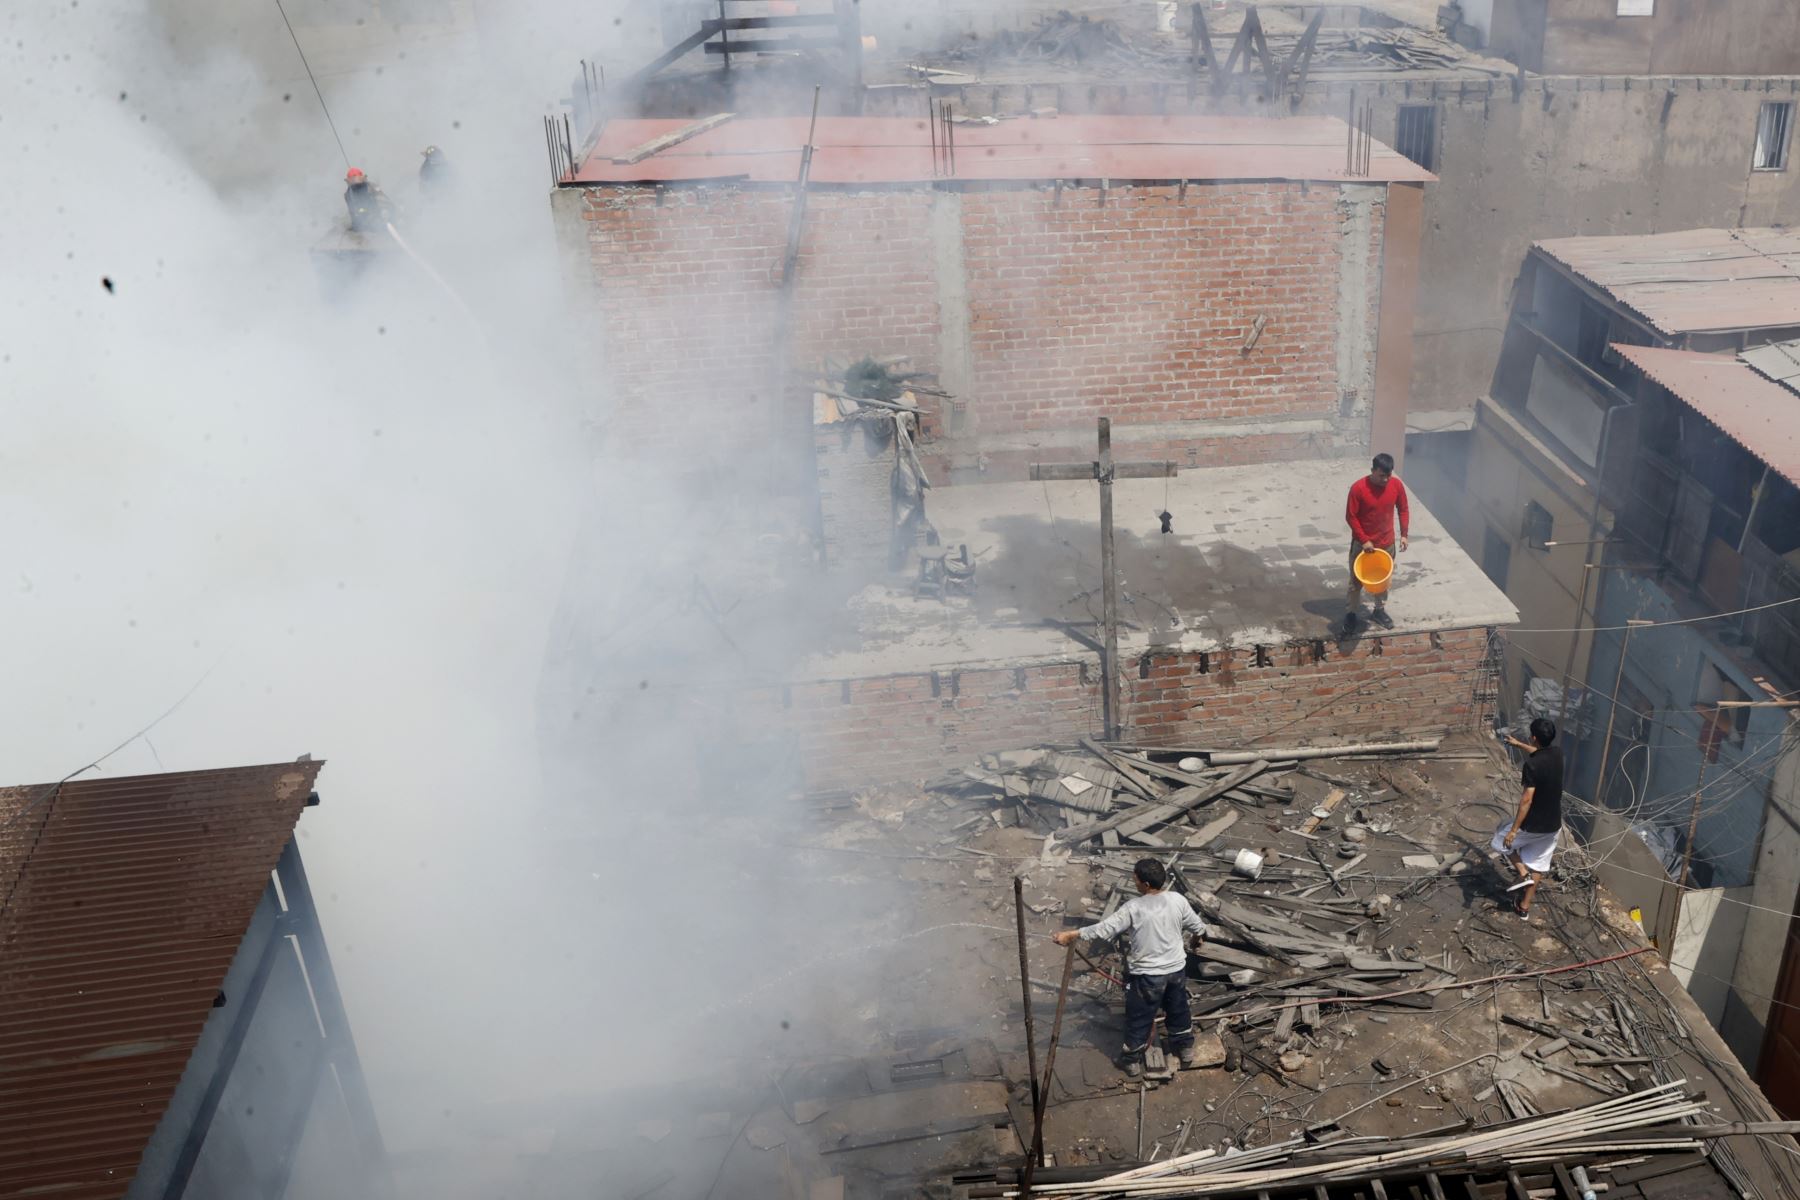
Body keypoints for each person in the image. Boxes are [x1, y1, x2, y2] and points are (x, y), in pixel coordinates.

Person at [1052, 859, 1208, 1077]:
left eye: (1135, 878)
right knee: (1178, 1009)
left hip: (1148, 977)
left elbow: (1105, 928)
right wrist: (1196, 939)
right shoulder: (1177, 900)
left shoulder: (1134, 908)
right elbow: (1198, 927)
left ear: (1144, 884)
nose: (1133, 881)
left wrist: (1072, 934)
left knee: (1139, 1017)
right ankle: (1185, 1048)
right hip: (1175, 972)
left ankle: (1132, 1060)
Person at [1494, 717, 1564, 920]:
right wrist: (1518, 744)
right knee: (1539, 864)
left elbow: (1526, 800)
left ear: (1534, 737)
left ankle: (1522, 873)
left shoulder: (1532, 766)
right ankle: (1523, 908)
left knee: (1500, 841)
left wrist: (1515, 829)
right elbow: (1540, 753)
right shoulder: (1557, 754)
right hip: (1553, 825)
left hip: (1534, 824)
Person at [1343, 452, 1410, 635]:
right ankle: (1351, 613)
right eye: (1381, 475)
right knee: (1355, 583)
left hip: (1387, 544)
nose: (1386, 479)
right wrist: (1364, 540)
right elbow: (1351, 517)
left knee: (1383, 580)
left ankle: (1379, 610)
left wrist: (1404, 534)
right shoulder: (1358, 488)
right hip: (1362, 547)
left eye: (1388, 475)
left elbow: (1403, 509)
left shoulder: (1396, 485)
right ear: (1373, 470)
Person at [343, 167, 394, 234]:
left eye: (359, 184)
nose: (356, 186)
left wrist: (384, 212)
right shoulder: (348, 194)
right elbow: (352, 212)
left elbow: (383, 201)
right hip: (364, 224)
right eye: (353, 183)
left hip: (378, 219)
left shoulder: (371, 187)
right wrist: (356, 225)